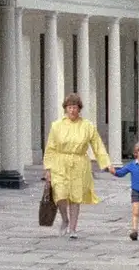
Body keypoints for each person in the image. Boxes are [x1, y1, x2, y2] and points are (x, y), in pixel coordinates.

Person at [42, 93, 113, 240]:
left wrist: (106, 163)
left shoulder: (87, 126)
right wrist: (48, 168)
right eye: (69, 107)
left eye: (75, 107)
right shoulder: (57, 126)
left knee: (75, 197)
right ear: (65, 109)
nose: (72, 110)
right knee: (60, 194)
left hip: (79, 163)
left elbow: (97, 145)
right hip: (60, 163)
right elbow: (50, 148)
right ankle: (64, 219)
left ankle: (73, 228)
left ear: (79, 109)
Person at [112, 141, 139, 241]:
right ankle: (134, 230)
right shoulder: (131, 165)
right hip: (136, 191)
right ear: (136, 153)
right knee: (135, 211)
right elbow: (120, 173)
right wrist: (113, 171)